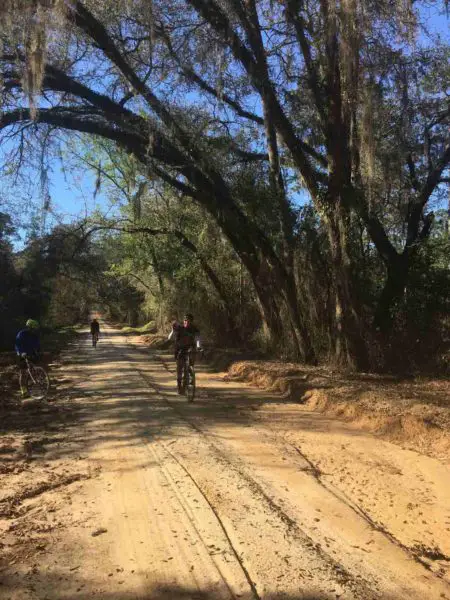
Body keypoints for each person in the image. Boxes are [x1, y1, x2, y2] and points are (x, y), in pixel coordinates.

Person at [168, 313, 202, 394]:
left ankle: (189, 377)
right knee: (180, 368)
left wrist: (198, 347)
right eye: (185, 320)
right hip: (180, 349)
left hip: (190, 348)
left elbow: (197, 339)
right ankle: (179, 386)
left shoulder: (194, 329)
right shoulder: (179, 327)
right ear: (183, 321)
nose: (186, 322)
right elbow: (170, 337)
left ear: (191, 322)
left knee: (190, 364)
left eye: (188, 321)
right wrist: (172, 331)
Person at [15, 319, 41, 398]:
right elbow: (17, 345)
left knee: (33, 369)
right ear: (29, 327)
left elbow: (37, 345)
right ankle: (24, 391)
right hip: (22, 354)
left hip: (31, 354)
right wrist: (21, 352)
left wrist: (38, 351)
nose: (35, 330)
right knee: (23, 373)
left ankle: (32, 387)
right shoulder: (21, 334)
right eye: (34, 328)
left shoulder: (34, 335)